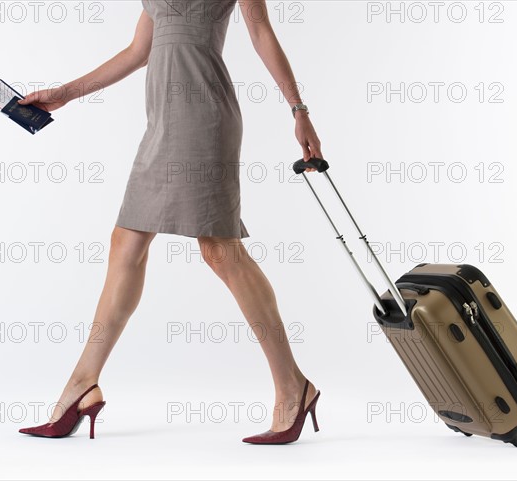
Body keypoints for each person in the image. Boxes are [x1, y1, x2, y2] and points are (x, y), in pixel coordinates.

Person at [17, 0, 322, 444]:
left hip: (204, 115)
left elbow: (261, 32)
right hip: (160, 120)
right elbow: (138, 50)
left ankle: (293, 387)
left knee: (220, 251)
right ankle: (82, 384)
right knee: (125, 242)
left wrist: (299, 111)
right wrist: (65, 93)